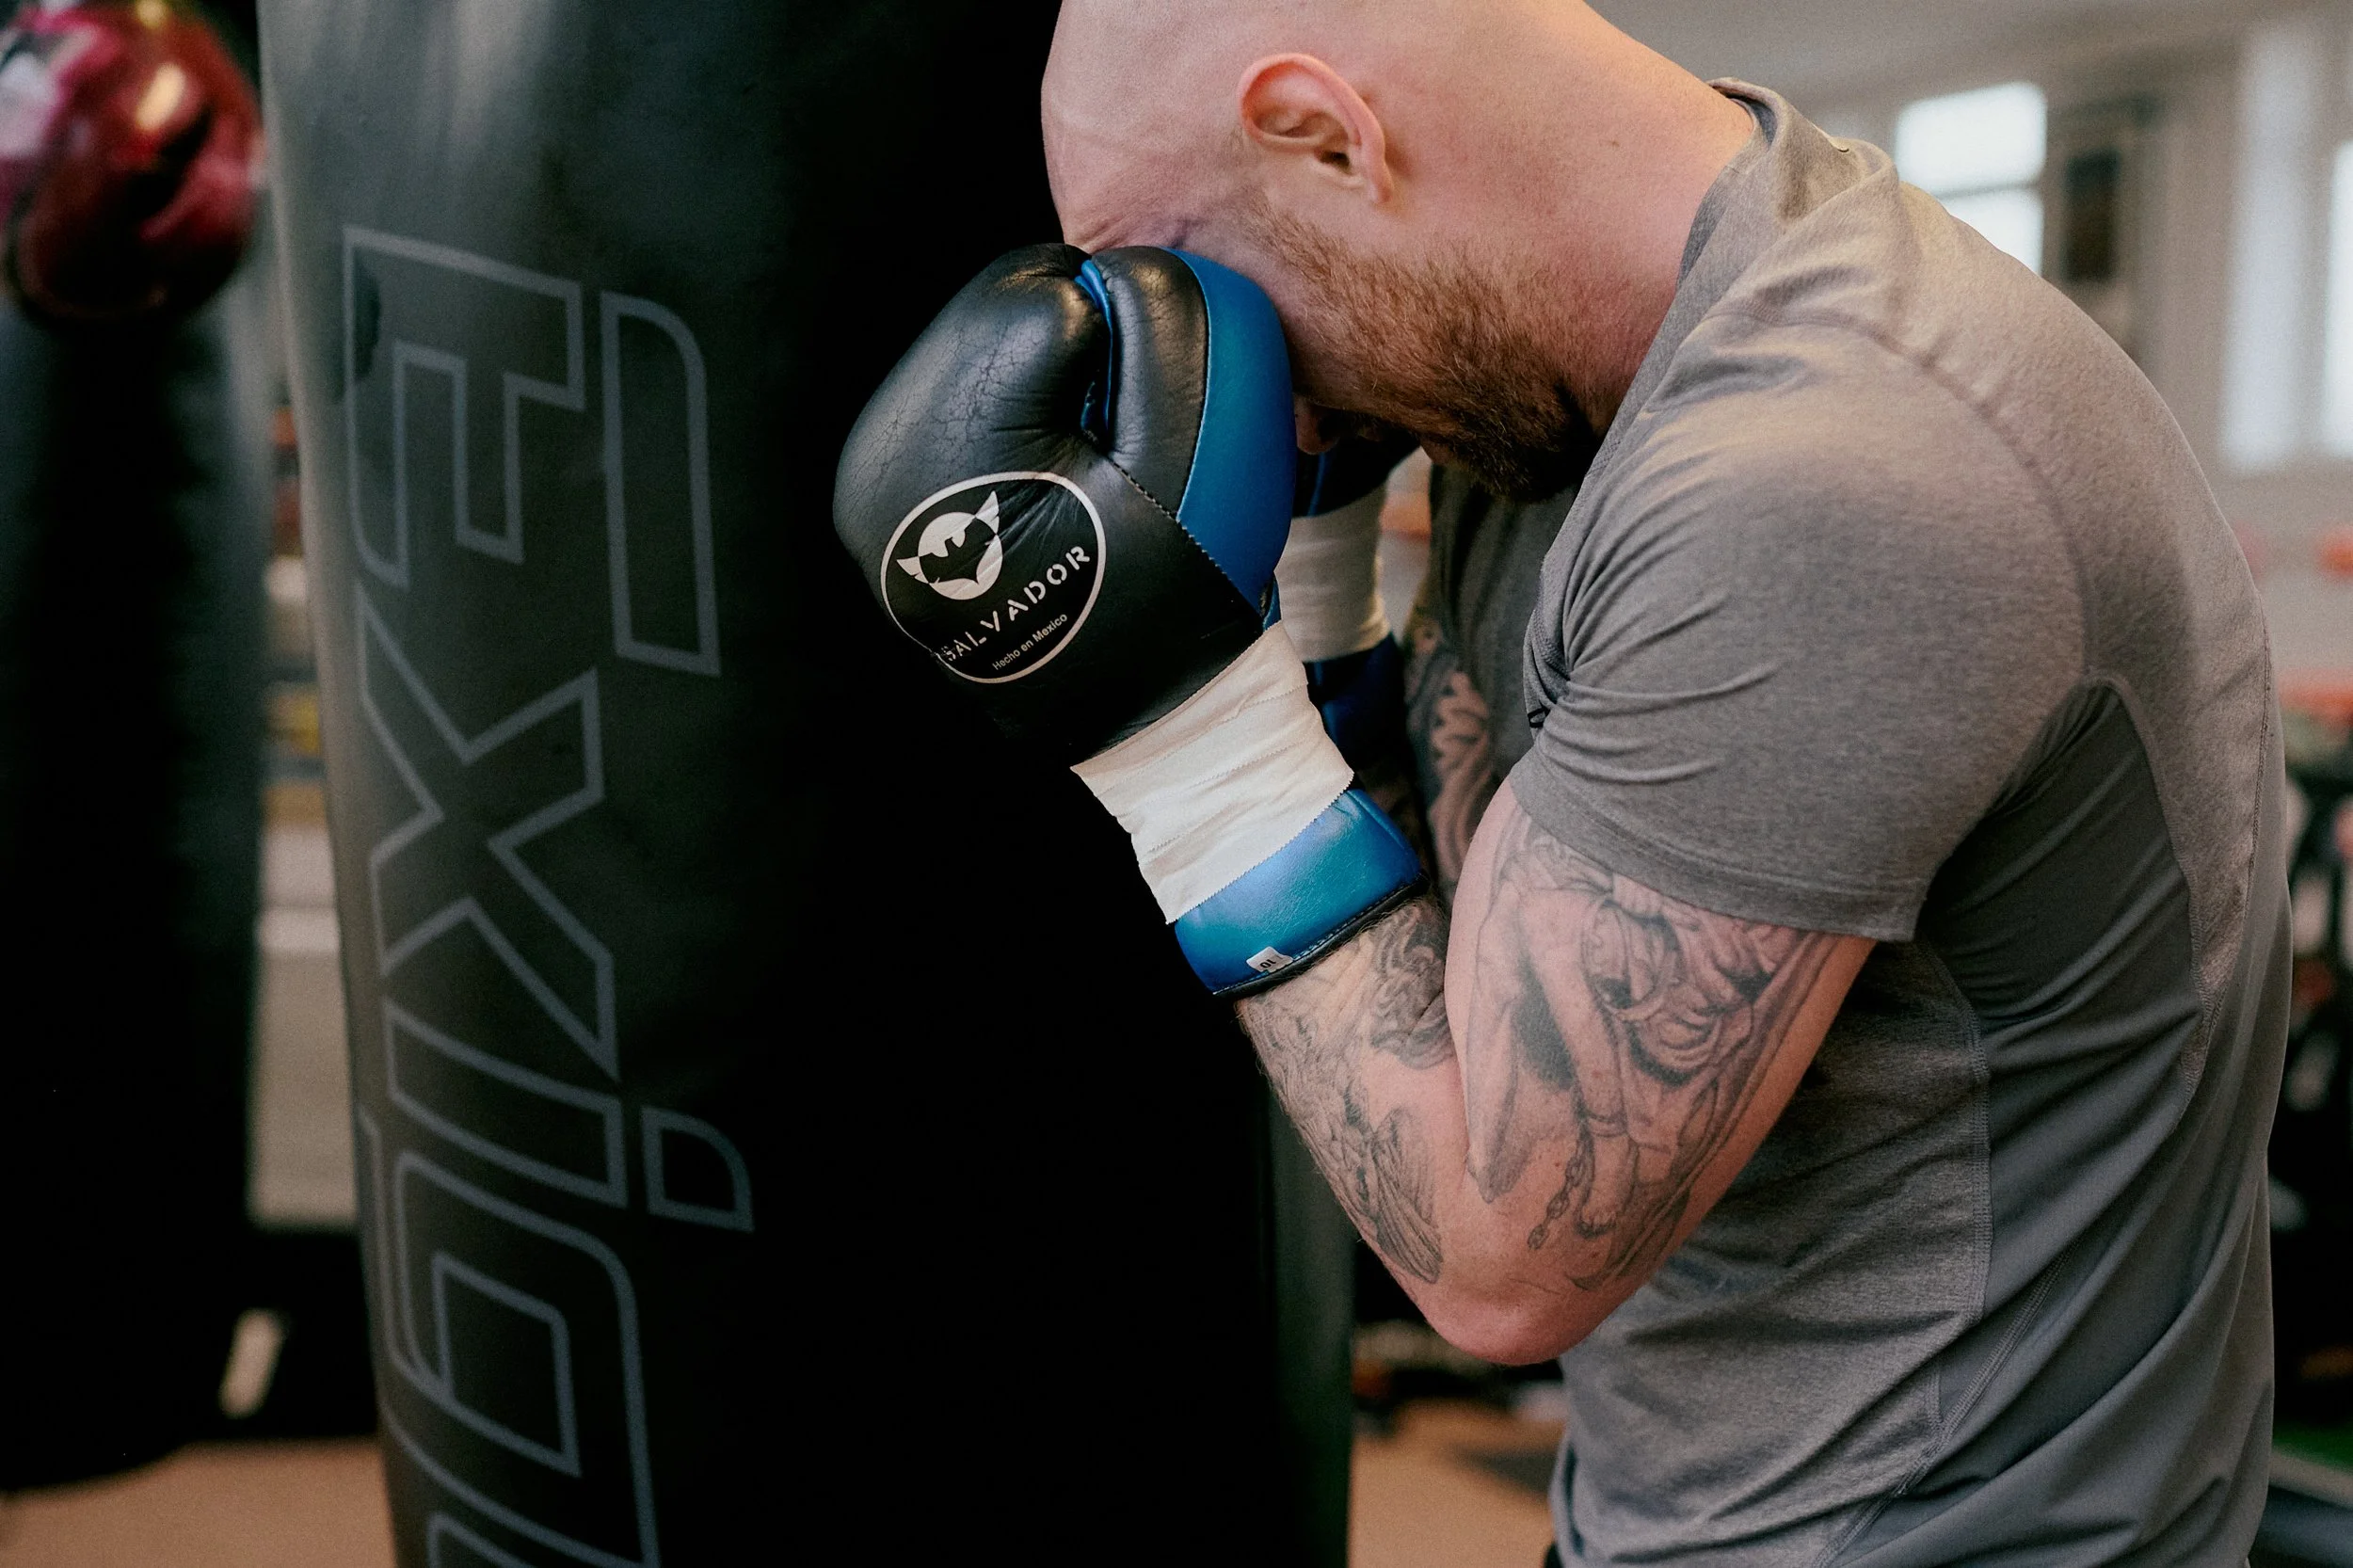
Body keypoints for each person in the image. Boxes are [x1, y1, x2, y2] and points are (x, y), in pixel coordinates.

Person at [1031, 2, 2291, 1562]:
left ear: (1327, 135)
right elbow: (1459, 969)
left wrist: (1186, 735)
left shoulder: (1824, 471)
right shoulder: (1562, 400)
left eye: (1200, 288)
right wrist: (1318, 572)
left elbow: (1502, 1259)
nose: (1220, 379)